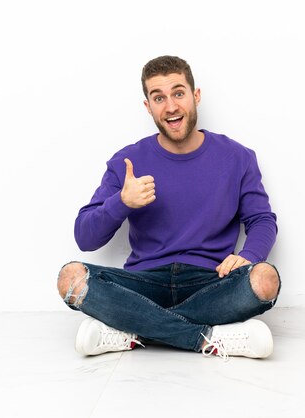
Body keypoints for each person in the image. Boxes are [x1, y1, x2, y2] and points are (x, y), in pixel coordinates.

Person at [57, 55, 280, 360]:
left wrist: (248, 256)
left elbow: (262, 220)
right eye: (158, 97)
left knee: (265, 279)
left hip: (211, 282)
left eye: (178, 93)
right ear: (148, 106)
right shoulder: (128, 161)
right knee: (70, 278)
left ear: (195, 96)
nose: (171, 106)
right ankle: (208, 338)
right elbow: (85, 237)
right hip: (143, 283)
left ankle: (131, 327)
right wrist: (121, 202)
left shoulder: (237, 157)